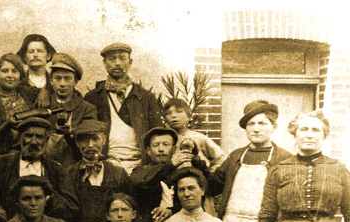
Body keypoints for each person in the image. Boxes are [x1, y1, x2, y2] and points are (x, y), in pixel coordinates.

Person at [84, 43, 164, 175]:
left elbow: (157, 133)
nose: (117, 63)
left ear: (130, 62)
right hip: (106, 164)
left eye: (122, 58)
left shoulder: (145, 97)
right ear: (104, 63)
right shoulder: (93, 97)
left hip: (140, 165)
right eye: (112, 59)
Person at [0, 117, 79, 222]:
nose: (33, 142)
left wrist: (50, 199)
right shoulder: (2, 165)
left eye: (39, 137)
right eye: (29, 136)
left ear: (46, 140)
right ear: (20, 138)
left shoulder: (56, 169)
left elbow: (71, 207)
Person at [130, 127, 209, 222]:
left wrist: (195, 159)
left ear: (173, 149)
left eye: (165, 144)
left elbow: (206, 187)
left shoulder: (182, 172)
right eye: (156, 145)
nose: (161, 149)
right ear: (148, 151)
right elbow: (139, 182)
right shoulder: (141, 171)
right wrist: (170, 164)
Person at [68, 120, 132, 222]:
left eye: (95, 139)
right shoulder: (69, 174)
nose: (90, 145)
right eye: (84, 140)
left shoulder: (117, 173)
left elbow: (129, 205)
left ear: (103, 140)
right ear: (77, 143)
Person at [43, 53, 97, 168]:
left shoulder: (87, 109)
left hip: (76, 167)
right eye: (58, 78)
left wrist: (70, 134)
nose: (62, 84)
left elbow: (89, 144)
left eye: (67, 79)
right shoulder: (43, 105)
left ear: (75, 82)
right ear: (51, 80)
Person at [162, 98, 227, 172]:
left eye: (179, 111)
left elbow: (221, 159)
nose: (173, 115)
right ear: (165, 118)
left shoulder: (198, 138)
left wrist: (210, 176)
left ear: (189, 116)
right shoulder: (164, 140)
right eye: (168, 113)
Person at [16, 34, 55, 106]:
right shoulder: (18, 83)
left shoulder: (55, 83)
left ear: (48, 56)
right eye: (31, 51)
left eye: (40, 51)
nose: (35, 55)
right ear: (24, 57)